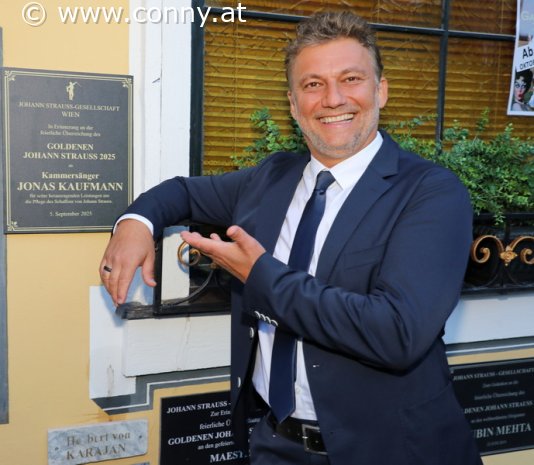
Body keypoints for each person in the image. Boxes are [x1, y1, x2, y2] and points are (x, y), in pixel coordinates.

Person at [100, 11, 482, 465]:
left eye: (351, 79)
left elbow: (397, 334)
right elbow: (181, 192)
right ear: (293, 103)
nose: (333, 99)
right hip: (276, 444)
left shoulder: (430, 193)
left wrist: (261, 276)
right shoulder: (272, 177)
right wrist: (134, 224)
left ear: (380, 90)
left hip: (394, 450)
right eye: (313, 84)